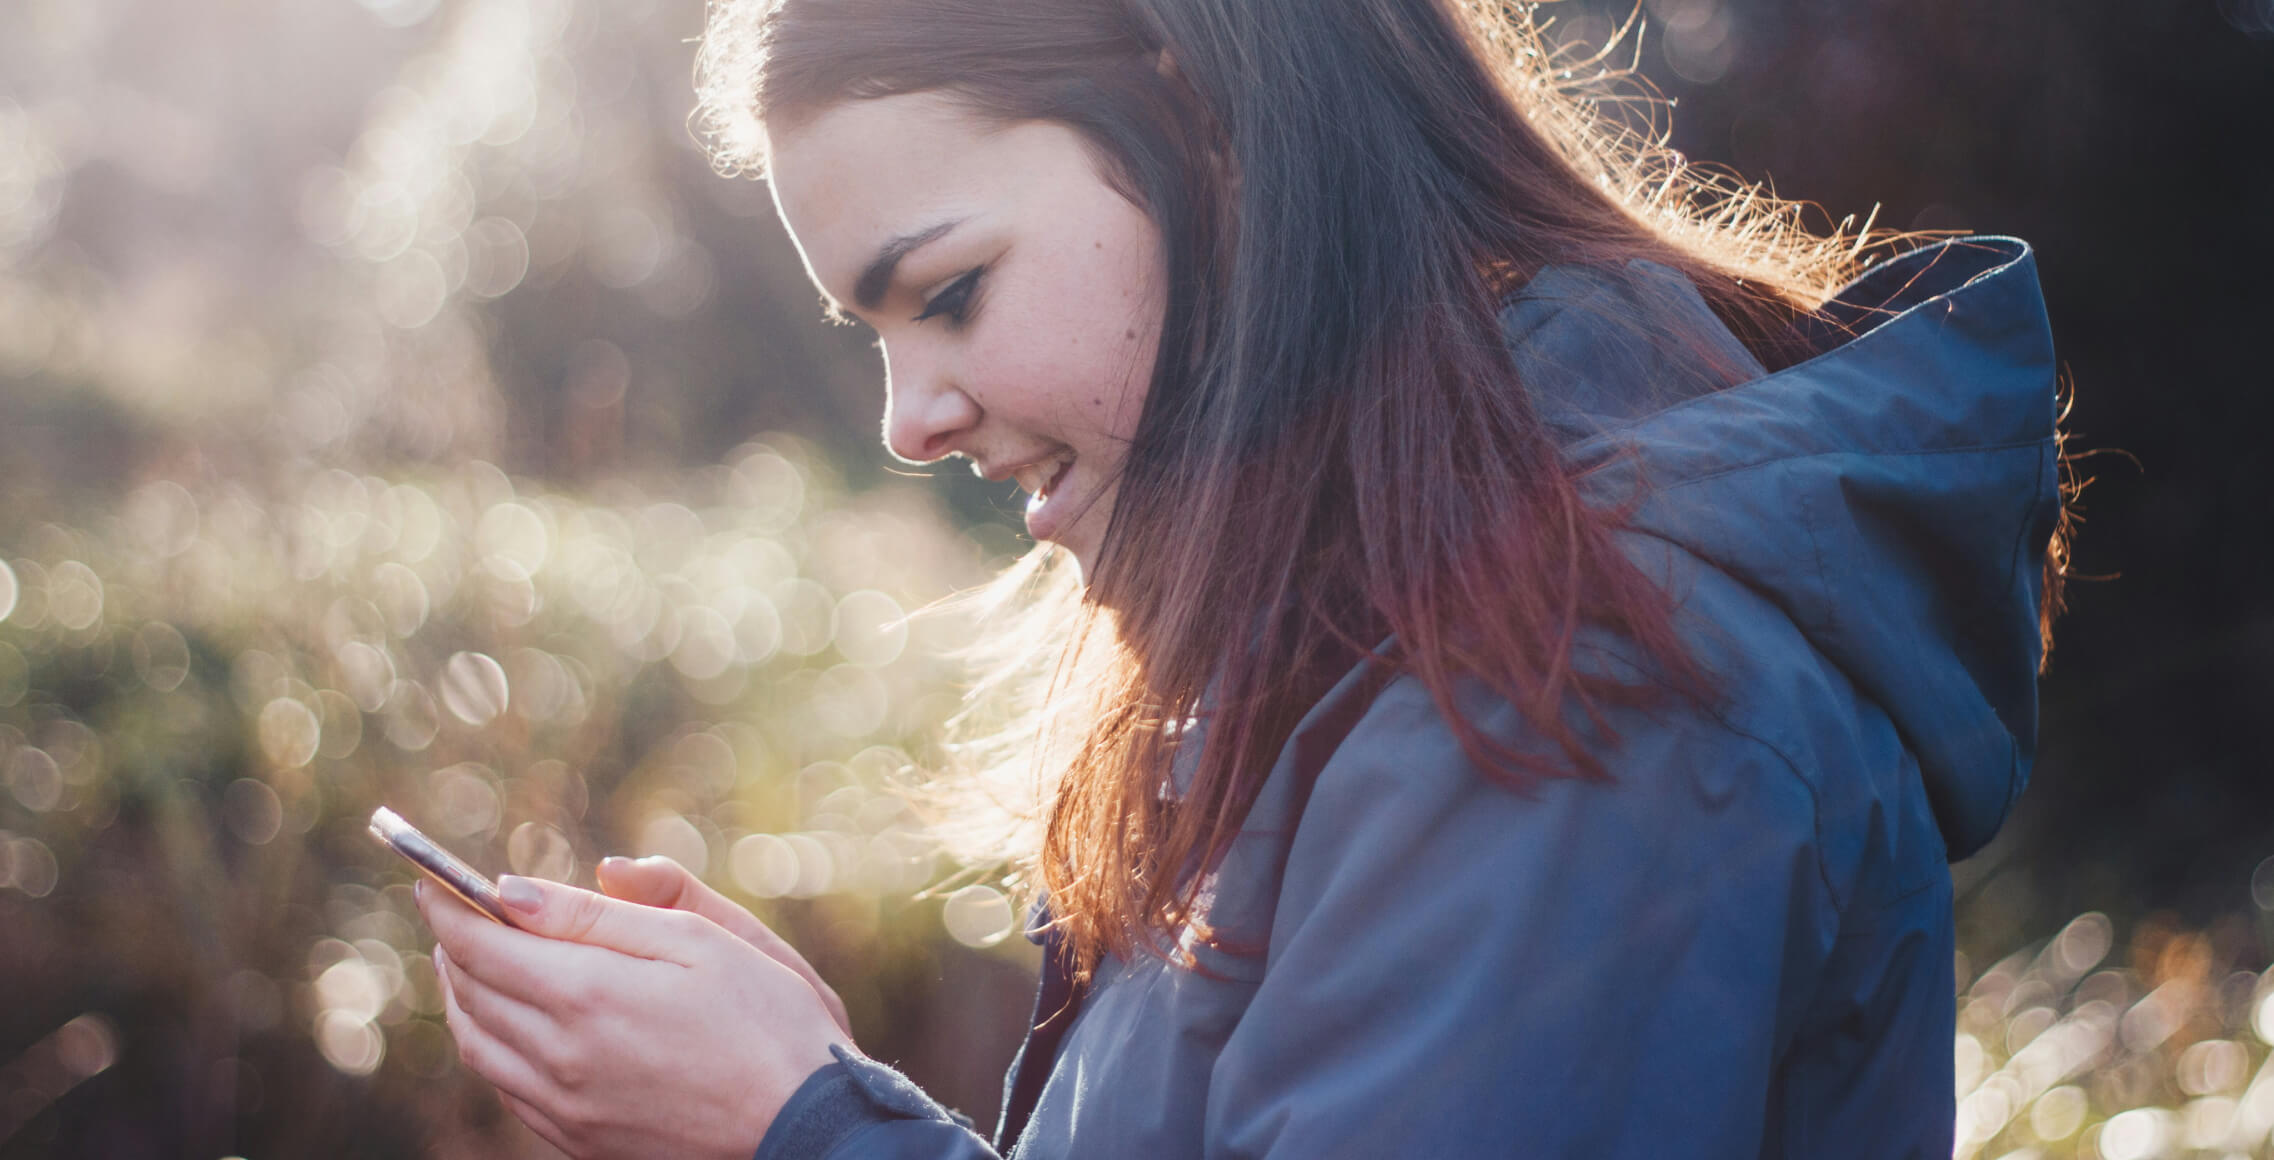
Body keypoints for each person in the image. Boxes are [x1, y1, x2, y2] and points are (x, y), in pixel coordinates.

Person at [414, 0, 2072, 1156]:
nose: (909, 420)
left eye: (948, 293)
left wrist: (796, 1128)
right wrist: (801, 1087)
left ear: (1203, 123)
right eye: (876, 334)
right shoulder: (1383, 624)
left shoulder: (1580, 679)